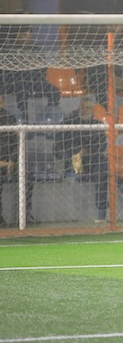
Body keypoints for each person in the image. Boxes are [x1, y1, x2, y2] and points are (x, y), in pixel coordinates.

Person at [54, 97, 123, 223]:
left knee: (101, 172)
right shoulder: (67, 123)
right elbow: (57, 148)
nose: (87, 110)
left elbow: (102, 146)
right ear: (79, 107)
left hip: (93, 163)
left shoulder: (97, 125)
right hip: (74, 163)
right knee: (102, 166)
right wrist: (74, 154)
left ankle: (101, 214)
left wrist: (87, 150)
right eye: (84, 107)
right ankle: (122, 186)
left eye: (90, 108)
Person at [61, 0, 114, 108]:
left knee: (98, 65)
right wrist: (72, 20)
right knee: (79, 64)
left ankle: (102, 105)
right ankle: (81, 107)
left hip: (98, 25)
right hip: (80, 25)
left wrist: (108, 17)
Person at [0, 25, 61, 121]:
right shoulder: (11, 50)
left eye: (27, 35)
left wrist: (34, 76)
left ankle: (47, 117)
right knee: (22, 90)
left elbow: (43, 68)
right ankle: (24, 119)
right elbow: (6, 70)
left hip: (35, 80)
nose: (24, 37)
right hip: (15, 81)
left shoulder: (37, 49)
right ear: (17, 36)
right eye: (22, 35)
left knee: (55, 92)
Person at [0, 95, 34, 227]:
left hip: (9, 161)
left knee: (27, 176)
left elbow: (16, 143)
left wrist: (12, 161)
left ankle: (25, 213)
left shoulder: (10, 118)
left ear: (3, 103)